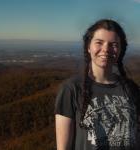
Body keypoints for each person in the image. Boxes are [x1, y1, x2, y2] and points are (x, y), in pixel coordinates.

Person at [55, 19, 140, 150]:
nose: (106, 49)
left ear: (120, 49)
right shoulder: (71, 89)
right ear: (88, 47)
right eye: (99, 42)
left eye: (113, 44)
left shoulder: (132, 89)